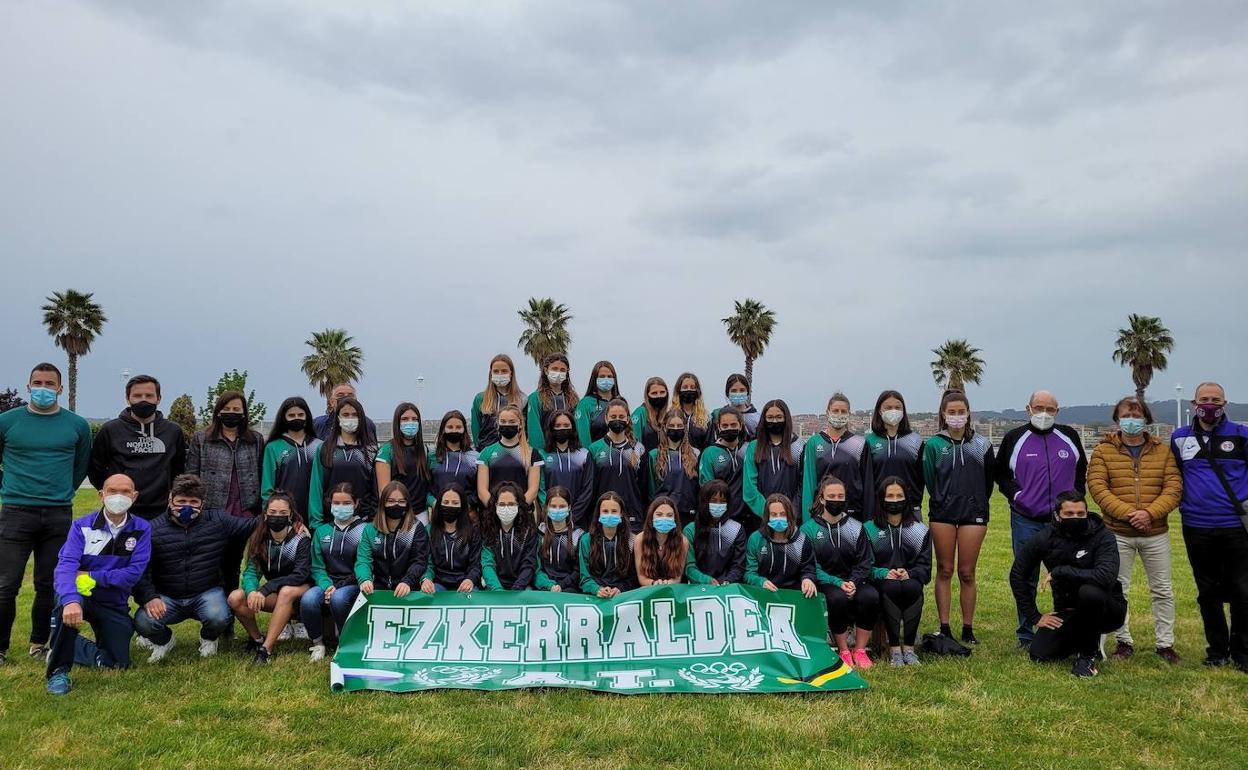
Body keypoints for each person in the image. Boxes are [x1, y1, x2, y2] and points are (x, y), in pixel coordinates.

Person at [0, 363, 91, 665]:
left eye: (49, 383)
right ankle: (0, 648)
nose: (43, 388)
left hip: (58, 514)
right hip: (15, 512)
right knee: (6, 584)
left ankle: (39, 644)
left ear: (60, 388)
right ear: (28, 386)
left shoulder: (77, 425)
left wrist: (62, 490)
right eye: (37, 382)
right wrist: (10, 488)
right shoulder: (7, 422)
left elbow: (80, 466)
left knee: (49, 584)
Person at [1089, 396, 1182, 664]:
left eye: (1137, 415)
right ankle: (1123, 641)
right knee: (1118, 589)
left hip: (1156, 533)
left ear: (1146, 419)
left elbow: (1173, 487)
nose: (1132, 420)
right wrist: (1130, 514)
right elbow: (1098, 488)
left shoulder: (1163, 451)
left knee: (1162, 590)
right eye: (1126, 416)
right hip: (1117, 533)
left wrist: (1149, 514)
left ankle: (1165, 644)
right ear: (1117, 420)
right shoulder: (1103, 451)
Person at [996, 389, 1087, 648]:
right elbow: (1000, 474)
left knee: (1066, 576)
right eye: (1039, 408)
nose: (1044, 413)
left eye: (1050, 409)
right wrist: (1018, 496)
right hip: (1026, 519)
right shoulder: (1015, 438)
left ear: (1057, 411)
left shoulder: (1068, 436)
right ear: (1028, 409)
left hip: (1064, 522)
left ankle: (1067, 629)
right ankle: (1026, 633)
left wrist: (1076, 496)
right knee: (1026, 575)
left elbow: (1081, 468)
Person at [132, 474, 257, 662]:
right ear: (170, 501)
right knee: (143, 621)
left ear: (202, 504)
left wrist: (289, 518)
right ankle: (164, 641)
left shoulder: (218, 521)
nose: (187, 507)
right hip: (167, 596)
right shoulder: (152, 529)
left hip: (206, 592)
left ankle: (208, 638)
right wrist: (149, 597)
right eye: (181, 501)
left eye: (193, 502)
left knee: (220, 616)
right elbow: (140, 570)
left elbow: (252, 525)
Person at [45, 474, 151, 695]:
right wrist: (71, 600)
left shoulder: (142, 528)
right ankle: (58, 670)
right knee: (66, 608)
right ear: (101, 495)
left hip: (113, 602)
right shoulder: (81, 526)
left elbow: (132, 575)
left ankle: (63, 645)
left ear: (134, 496)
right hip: (81, 596)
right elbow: (66, 568)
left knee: (118, 664)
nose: (119, 496)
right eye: (112, 491)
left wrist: (91, 576)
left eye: (125, 491)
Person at [1170, 381, 1248, 670]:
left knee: (1242, 591)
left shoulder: (1241, 434)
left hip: (1235, 525)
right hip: (1197, 525)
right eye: (1205, 399)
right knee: (1207, 592)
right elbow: (1177, 474)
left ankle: (1242, 652)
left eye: (1216, 399)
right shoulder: (1180, 437)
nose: (1210, 404)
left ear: (1224, 404)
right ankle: (1217, 651)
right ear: (1194, 403)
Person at [1010, 491, 1126, 678]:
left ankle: (1087, 657)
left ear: (1087, 513)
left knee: (1089, 592)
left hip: (1107, 609)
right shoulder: (1045, 537)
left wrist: (1060, 571)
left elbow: (1105, 576)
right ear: (1057, 515)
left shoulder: (1103, 536)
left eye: (1081, 513)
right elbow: (1018, 574)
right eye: (1069, 514)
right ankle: (1082, 639)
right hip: (1069, 610)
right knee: (1040, 653)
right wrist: (1034, 616)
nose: (1076, 518)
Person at [187, 390, 267, 630]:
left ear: (244, 413)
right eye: (227, 409)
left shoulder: (255, 440)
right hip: (213, 512)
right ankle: (217, 619)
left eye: (237, 410)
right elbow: (191, 476)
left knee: (235, 565)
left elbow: (262, 473)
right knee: (215, 566)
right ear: (218, 411)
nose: (232, 413)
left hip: (245, 512)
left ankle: (230, 619)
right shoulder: (202, 439)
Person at [922, 390, 996, 645]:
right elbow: (930, 480)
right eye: (951, 412)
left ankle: (967, 627)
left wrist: (975, 502)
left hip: (974, 514)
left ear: (968, 413)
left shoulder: (982, 445)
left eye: (960, 412)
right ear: (943, 414)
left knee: (967, 572)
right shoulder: (933, 445)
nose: (956, 416)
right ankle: (944, 626)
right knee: (944, 570)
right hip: (942, 514)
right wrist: (944, 499)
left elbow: (988, 482)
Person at [802, 476, 878, 670]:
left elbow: (865, 561)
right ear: (822, 499)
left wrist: (853, 581)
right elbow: (810, 565)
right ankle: (843, 650)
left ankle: (860, 650)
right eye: (832, 496)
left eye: (840, 496)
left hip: (853, 580)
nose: (836, 500)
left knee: (870, 596)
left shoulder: (856, 527)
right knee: (837, 598)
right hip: (826, 582)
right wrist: (837, 583)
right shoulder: (809, 529)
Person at [87, 374, 187, 519]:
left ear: (158, 399)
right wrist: (114, 495)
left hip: (162, 512)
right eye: (137, 396)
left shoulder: (173, 431)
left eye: (149, 395)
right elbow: (95, 469)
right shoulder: (110, 430)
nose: (143, 400)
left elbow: (179, 470)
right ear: (128, 399)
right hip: (121, 510)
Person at [229, 491, 312, 663]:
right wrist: (252, 591)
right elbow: (251, 571)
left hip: (303, 593)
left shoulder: (300, 538)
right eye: (273, 512)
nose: (277, 516)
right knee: (235, 598)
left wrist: (266, 589)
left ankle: (266, 650)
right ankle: (257, 639)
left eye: (283, 513)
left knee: (287, 591)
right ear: (265, 514)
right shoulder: (260, 538)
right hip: (276, 593)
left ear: (291, 515)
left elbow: (301, 574)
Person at [865, 477, 932, 667]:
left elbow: (925, 566)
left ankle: (909, 649)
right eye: (890, 496)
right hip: (883, 580)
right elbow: (864, 565)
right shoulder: (869, 529)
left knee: (913, 587)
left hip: (909, 578)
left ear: (906, 498)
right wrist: (882, 573)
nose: (895, 500)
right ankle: (895, 649)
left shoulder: (920, 530)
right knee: (892, 588)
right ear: (882, 499)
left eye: (899, 496)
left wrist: (910, 573)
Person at [301, 483, 369, 661]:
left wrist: (338, 587)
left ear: (356, 503)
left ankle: (345, 641)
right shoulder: (322, 531)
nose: (341, 507)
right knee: (308, 599)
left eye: (346, 503)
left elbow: (365, 563)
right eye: (336, 503)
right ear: (330, 504)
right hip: (327, 583)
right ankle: (317, 643)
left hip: (353, 583)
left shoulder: (365, 530)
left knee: (338, 599)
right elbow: (317, 566)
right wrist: (327, 585)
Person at [307, 397, 378, 523]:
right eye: (345, 415)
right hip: (330, 521)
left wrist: (373, 520)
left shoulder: (371, 450)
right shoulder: (324, 449)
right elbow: (316, 488)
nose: (350, 418)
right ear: (338, 417)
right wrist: (316, 522)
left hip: (363, 521)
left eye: (355, 415)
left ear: (361, 418)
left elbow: (375, 489)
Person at [800, 393, 869, 521]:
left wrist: (867, 519)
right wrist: (807, 519)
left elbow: (867, 483)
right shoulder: (814, 442)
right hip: (821, 513)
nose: (839, 414)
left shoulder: (859, 443)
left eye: (843, 411)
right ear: (828, 412)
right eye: (835, 411)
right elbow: (809, 483)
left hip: (852, 513)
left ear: (849, 414)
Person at [357, 481, 430, 598]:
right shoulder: (370, 529)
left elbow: (419, 560)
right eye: (390, 501)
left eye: (401, 501)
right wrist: (365, 579)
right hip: (378, 588)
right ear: (383, 503)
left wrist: (407, 581)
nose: (396, 505)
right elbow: (364, 560)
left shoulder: (417, 528)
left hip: (408, 587)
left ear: (407, 504)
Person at [862, 390, 924, 523]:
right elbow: (866, 479)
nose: (893, 411)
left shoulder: (915, 440)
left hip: (910, 509)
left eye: (897, 407)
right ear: (880, 411)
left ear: (903, 411)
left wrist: (915, 502)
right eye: (888, 407)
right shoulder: (869, 441)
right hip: (879, 510)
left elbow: (922, 477)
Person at [744, 494, 818, 603]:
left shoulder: (802, 539)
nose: (778, 518)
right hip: (764, 591)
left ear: (789, 515)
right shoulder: (756, 539)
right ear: (767, 517)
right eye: (773, 515)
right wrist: (760, 582)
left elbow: (808, 568)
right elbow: (749, 573)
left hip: (794, 593)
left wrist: (808, 579)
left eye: (783, 514)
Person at [588, 399, 647, 534]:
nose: (617, 420)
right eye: (613, 416)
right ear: (606, 419)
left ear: (628, 419)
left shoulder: (639, 449)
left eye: (621, 417)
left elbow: (644, 487)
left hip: (632, 516)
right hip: (604, 515)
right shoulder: (594, 449)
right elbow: (591, 487)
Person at [261, 396, 322, 524]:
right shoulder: (273, 447)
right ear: (284, 418)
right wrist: (270, 515)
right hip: (284, 515)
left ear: (307, 417)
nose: (296, 418)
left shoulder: (319, 446)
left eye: (300, 415)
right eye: (291, 415)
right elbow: (267, 488)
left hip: (316, 516)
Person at [743, 399, 804, 521]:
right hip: (761, 517)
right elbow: (749, 487)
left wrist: (790, 512)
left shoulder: (799, 447)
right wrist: (768, 512)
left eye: (779, 417)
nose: (774, 421)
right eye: (770, 417)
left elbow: (803, 485)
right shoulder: (754, 447)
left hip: (791, 517)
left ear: (786, 418)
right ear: (764, 420)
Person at [476, 404, 543, 508]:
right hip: (493, 511)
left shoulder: (532, 453)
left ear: (520, 424)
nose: (507, 425)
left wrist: (518, 509)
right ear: (497, 424)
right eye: (503, 422)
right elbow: (482, 490)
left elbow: (533, 490)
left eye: (512, 422)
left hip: (522, 511)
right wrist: (495, 509)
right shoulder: (486, 452)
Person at [420, 484, 482, 593]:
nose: (450, 506)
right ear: (439, 505)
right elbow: (427, 563)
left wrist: (470, 579)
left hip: (465, 582)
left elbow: (476, 564)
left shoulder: (473, 531)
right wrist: (426, 579)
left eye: (455, 503)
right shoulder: (429, 530)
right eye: (446, 502)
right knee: (428, 596)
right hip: (439, 583)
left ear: (462, 506)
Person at [375, 402, 431, 521]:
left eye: (414, 419)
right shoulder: (387, 450)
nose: (410, 422)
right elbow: (383, 490)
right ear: (397, 422)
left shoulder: (425, 450)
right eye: (405, 419)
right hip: (398, 514)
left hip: (422, 515)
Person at [683, 480, 747, 586]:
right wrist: (706, 580)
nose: (718, 505)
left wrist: (727, 581)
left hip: (727, 587)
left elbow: (738, 566)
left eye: (722, 501)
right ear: (704, 502)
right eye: (713, 500)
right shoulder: (690, 530)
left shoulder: (736, 529)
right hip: (698, 587)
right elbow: (689, 567)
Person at [540, 409, 595, 530]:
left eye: (566, 425)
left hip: (578, 520)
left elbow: (587, 489)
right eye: (558, 425)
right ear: (551, 429)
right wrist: (550, 512)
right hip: (551, 518)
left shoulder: (584, 455)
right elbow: (541, 489)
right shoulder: (541, 455)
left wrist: (572, 516)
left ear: (573, 428)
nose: (562, 429)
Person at [645, 407, 701, 526]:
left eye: (679, 426)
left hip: (688, 513)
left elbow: (697, 488)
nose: (675, 429)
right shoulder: (654, 455)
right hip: (664, 514)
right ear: (665, 427)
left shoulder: (695, 454)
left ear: (685, 428)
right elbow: (650, 491)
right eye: (671, 425)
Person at [480, 481, 538, 590]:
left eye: (511, 504)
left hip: (522, 586)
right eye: (502, 504)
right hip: (495, 587)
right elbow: (487, 564)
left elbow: (529, 564)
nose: (506, 508)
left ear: (518, 505)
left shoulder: (528, 532)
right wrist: (497, 589)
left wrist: (517, 588)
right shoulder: (489, 530)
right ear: (495, 506)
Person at [578, 492, 637, 597]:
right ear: (599, 514)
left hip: (623, 596)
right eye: (605, 511)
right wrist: (596, 589)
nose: (609, 515)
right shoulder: (586, 540)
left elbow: (634, 577)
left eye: (614, 511)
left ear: (621, 513)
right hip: (595, 596)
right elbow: (584, 577)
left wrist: (620, 589)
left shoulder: (632, 540)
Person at [699, 407, 748, 531]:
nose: (729, 428)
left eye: (733, 425)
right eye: (725, 425)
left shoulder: (748, 449)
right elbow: (706, 488)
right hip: (721, 515)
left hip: (747, 516)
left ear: (740, 425)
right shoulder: (710, 453)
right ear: (718, 427)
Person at [471, 353, 525, 451]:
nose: (500, 374)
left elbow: (525, 429)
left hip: (514, 451)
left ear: (511, 373)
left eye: (504, 371)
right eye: (496, 371)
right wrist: (480, 450)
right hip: (486, 451)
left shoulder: (522, 399)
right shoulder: (480, 398)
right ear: (491, 373)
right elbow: (475, 429)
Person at [427, 411, 478, 512]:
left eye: (458, 427)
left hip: (466, 512)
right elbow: (425, 487)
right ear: (443, 429)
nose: (454, 430)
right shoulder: (432, 456)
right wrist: (433, 503)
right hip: (439, 511)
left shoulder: (475, 457)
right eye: (450, 427)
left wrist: (468, 505)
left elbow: (478, 488)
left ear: (464, 430)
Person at [526, 353, 579, 450]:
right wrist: (539, 453)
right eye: (554, 369)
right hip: (545, 451)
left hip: (570, 451)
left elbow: (577, 426)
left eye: (562, 370)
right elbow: (534, 428)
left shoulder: (573, 398)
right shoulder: (535, 398)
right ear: (546, 370)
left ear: (567, 372)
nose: (558, 373)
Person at [535, 487, 583, 593]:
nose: (557, 510)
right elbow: (536, 569)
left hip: (570, 590)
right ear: (547, 507)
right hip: (544, 588)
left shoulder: (578, 535)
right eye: (553, 506)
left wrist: (561, 585)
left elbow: (579, 570)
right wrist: (549, 585)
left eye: (562, 506)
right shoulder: (539, 534)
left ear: (569, 507)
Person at [634, 497, 688, 586]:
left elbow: (677, 578)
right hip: (648, 588)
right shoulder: (640, 539)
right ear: (651, 517)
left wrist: (668, 583)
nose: (664, 519)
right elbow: (641, 577)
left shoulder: (683, 541)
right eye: (659, 515)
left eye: (669, 515)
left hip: (672, 588)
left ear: (675, 518)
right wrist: (654, 583)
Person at [574, 360, 620, 447]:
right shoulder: (585, 404)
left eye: (609, 376)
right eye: (602, 376)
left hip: (619, 454)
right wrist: (589, 453)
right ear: (594, 379)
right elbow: (583, 437)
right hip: (595, 453)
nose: (606, 379)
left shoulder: (620, 403)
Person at [312, 383, 376, 441]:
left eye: (350, 396)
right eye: (340, 395)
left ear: (356, 400)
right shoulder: (318, 424)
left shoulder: (367, 424)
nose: (346, 398)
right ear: (332, 402)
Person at [709, 373, 759, 444]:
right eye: (734, 391)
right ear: (727, 393)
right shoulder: (717, 414)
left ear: (747, 392)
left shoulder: (757, 418)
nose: (738, 393)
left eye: (742, 390)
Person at [671, 372, 711, 450]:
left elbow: (708, 445)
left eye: (692, 387)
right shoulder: (670, 415)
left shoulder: (706, 418)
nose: (689, 390)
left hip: (699, 456)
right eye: (685, 387)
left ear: (697, 391)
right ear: (678, 390)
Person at [631, 376, 669, 453]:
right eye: (654, 393)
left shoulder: (667, 416)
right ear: (647, 395)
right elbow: (633, 442)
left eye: (662, 392)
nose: (659, 396)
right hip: (643, 459)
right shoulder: (640, 413)